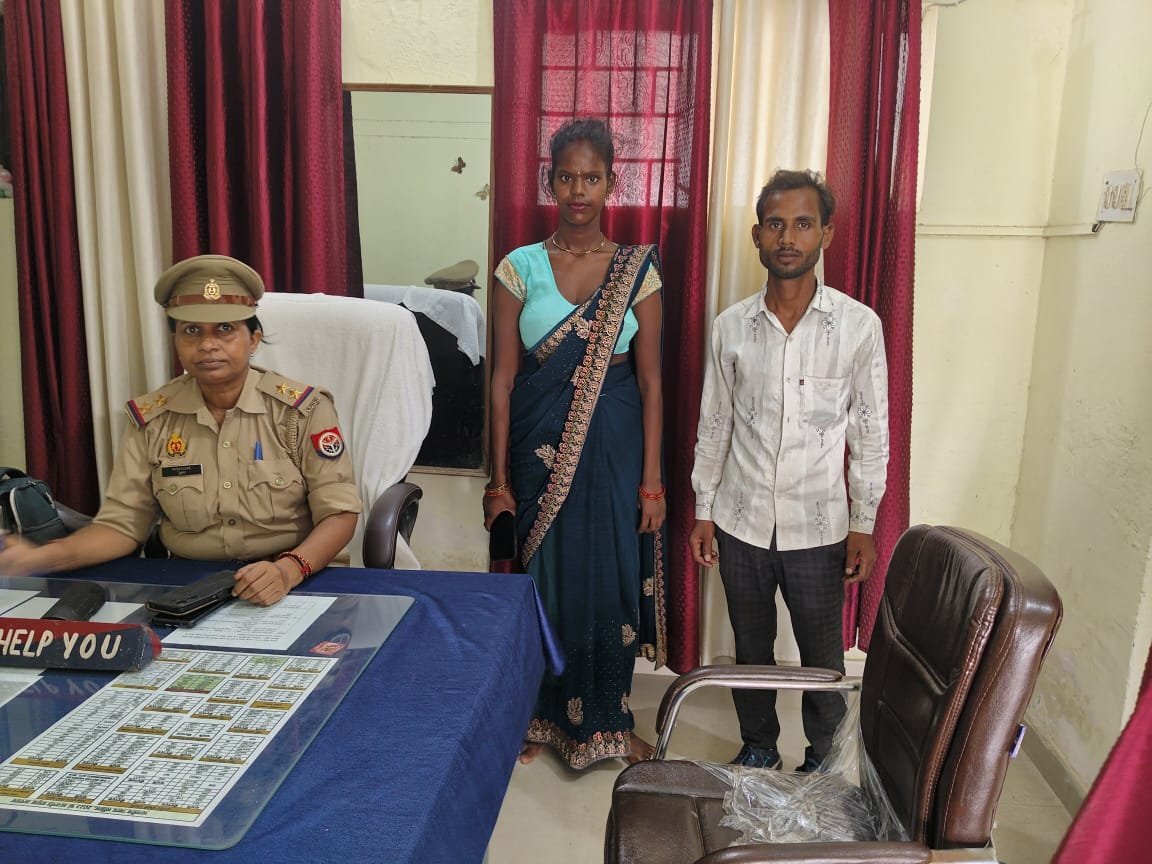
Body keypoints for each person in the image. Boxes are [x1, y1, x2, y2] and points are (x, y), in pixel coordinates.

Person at [0, 255, 361, 605]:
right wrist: (40, 557)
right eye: (191, 331)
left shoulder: (301, 411)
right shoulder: (153, 419)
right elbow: (122, 526)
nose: (207, 345)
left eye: (225, 329)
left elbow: (339, 513)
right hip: (189, 583)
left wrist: (288, 570)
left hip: (296, 574)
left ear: (253, 339)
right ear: (176, 342)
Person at [689, 169, 889, 772]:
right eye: (775, 224)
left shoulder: (858, 326)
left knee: (820, 655)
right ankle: (758, 748)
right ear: (757, 236)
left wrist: (864, 522)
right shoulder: (731, 327)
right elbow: (714, 423)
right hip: (741, 520)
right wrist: (704, 510)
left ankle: (823, 760)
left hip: (819, 526)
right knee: (750, 649)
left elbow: (870, 432)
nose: (788, 237)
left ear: (825, 233)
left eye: (803, 224)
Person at [484, 118, 667, 770]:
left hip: (615, 440)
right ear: (550, 182)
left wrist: (652, 481)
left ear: (611, 183)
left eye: (592, 177)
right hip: (538, 445)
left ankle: (611, 723)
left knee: (610, 578)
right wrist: (499, 482)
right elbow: (502, 380)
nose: (579, 190)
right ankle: (536, 715)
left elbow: (651, 382)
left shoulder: (637, 272)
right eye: (567, 177)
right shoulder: (519, 268)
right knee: (548, 580)